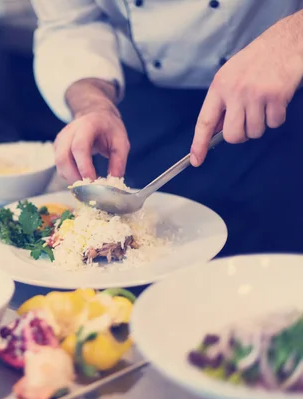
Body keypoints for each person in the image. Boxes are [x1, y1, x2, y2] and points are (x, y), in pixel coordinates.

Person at [31, 0, 303, 256]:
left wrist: (291, 39)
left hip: (283, 93)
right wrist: (92, 105)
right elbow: (71, 24)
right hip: (147, 105)